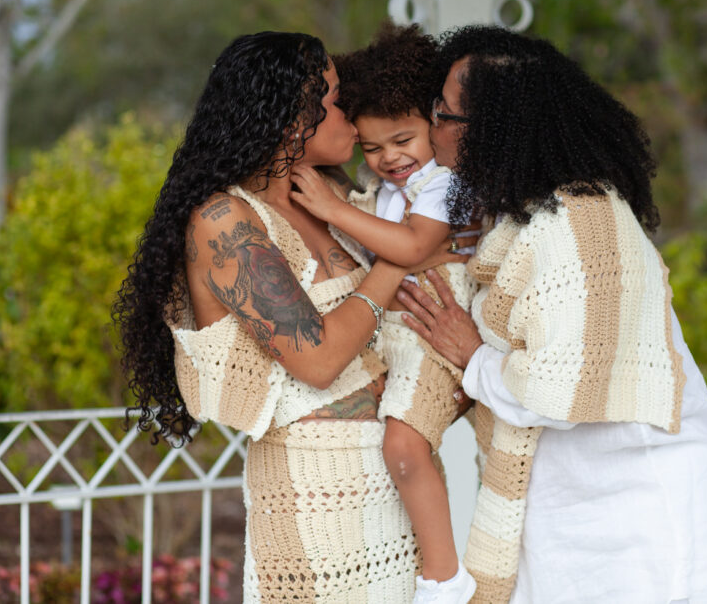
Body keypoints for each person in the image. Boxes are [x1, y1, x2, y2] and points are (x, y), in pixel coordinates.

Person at [114, 31, 469, 603]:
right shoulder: (225, 220)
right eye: (333, 99)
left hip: (398, 483)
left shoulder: (332, 199)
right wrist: (397, 258)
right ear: (289, 117)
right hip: (315, 496)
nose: (349, 114)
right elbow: (321, 358)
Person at [396, 25, 707, 604]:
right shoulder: (528, 218)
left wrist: (472, 356)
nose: (431, 125)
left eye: (442, 112)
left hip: (640, 512)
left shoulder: (580, 224)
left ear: (491, 130)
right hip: (578, 505)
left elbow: (555, 388)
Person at [293, 23, 478, 604]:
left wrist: (330, 207)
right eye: (372, 148)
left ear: (432, 123)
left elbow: (412, 248)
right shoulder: (390, 189)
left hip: (431, 327)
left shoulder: (444, 183)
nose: (389, 158)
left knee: (403, 446)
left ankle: (446, 579)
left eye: (402, 139)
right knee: (398, 446)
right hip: (399, 329)